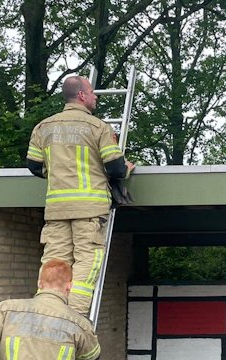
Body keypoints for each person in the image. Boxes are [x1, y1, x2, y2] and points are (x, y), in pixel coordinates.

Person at [26, 75, 135, 316]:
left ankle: (47, 312)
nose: (96, 96)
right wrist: (126, 168)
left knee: (55, 261)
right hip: (89, 209)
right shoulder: (98, 128)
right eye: (93, 92)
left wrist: (57, 172)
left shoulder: (43, 128)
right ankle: (73, 316)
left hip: (56, 210)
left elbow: (34, 166)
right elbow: (115, 168)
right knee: (88, 261)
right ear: (83, 96)